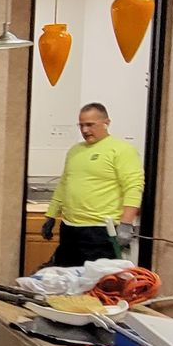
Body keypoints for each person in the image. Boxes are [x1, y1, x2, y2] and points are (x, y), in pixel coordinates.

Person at [39, 103, 146, 270]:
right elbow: (64, 185)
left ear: (106, 123)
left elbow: (133, 186)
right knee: (68, 278)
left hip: (100, 231)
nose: (85, 130)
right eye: (81, 125)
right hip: (70, 229)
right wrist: (51, 216)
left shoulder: (121, 150)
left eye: (90, 124)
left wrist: (126, 223)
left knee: (99, 281)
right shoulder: (75, 151)